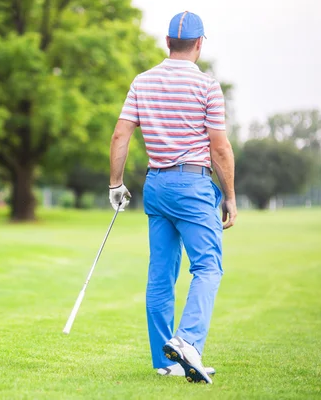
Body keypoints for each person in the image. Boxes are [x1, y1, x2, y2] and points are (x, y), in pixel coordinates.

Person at [108, 11, 237, 384]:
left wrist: (116, 184)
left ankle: (166, 361)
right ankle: (188, 342)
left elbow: (120, 135)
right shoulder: (208, 87)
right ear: (199, 44)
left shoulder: (142, 82)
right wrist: (229, 195)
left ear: (167, 42)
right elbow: (220, 148)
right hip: (194, 187)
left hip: (157, 187)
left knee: (161, 274)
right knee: (208, 267)